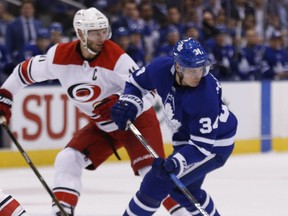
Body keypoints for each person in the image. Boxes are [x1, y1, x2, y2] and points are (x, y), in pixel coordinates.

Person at [0, 7, 190, 216]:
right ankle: (62, 213)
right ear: (81, 33)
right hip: (103, 127)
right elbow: (22, 73)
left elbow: (149, 92)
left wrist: (124, 102)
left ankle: (183, 214)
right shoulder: (59, 56)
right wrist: (4, 98)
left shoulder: (117, 58)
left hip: (136, 122)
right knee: (67, 159)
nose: (102, 37)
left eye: (104, 31)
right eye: (95, 32)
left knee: (152, 176)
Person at [111, 38, 238, 215]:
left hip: (215, 144)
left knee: (154, 184)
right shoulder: (161, 67)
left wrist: (176, 163)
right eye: (192, 70)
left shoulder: (204, 95)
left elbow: (201, 147)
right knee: (184, 191)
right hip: (185, 137)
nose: (198, 75)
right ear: (178, 67)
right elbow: (135, 83)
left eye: (202, 68)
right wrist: (129, 102)